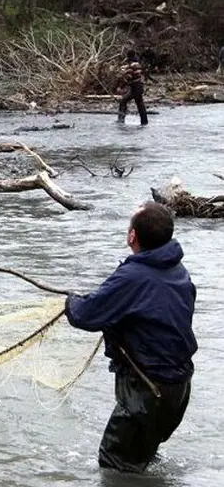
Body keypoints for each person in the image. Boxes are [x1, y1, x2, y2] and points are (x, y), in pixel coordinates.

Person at [65, 202, 196, 473]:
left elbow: (84, 315)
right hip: (178, 389)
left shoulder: (132, 276)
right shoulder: (178, 271)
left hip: (148, 391)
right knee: (142, 462)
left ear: (132, 236)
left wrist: (71, 301)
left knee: (115, 471)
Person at [117, 52, 148, 125]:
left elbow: (128, 77)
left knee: (123, 102)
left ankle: (121, 120)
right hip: (139, 86)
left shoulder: (131, 66)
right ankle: (144, 121)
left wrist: (120, 87)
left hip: (135, 87)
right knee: (140, 104)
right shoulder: (137, 65)